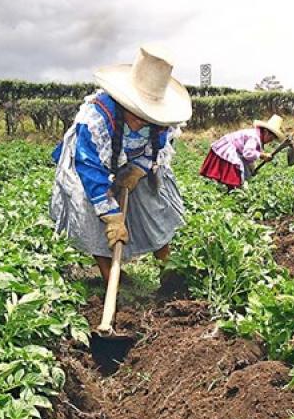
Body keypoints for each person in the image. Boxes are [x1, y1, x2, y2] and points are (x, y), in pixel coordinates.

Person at [49, 45, 191, 283]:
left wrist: (138, 170)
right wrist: (112, 216)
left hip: (132, 161)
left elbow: (159, 147)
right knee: (87, 207)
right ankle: (111, 277)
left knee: (153, 202)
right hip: (88, 165)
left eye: (148, 115)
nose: (140, 121)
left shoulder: (162, 121)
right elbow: (90, 169)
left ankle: (168, 270)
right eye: (136, 113)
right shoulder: (94, 120)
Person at [199, 114, 285, 189]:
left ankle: (227, 193)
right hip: (227, 150)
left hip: (234, 150)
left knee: (237, 177)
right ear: (266, 132)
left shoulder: (257, 136)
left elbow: (247, 158)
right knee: (234, 180)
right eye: (271, 138)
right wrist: (262, 155)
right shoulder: (254, 137)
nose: (270, 141)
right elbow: (247, 154)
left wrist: (252, 169)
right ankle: (230, 194)